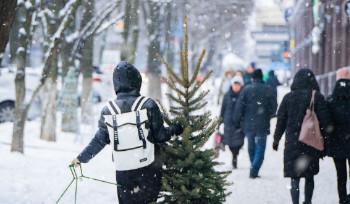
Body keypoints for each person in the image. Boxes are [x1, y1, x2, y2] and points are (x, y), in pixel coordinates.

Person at [71, 61, 183, 204]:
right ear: (137, 81)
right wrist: (179, 128)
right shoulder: (148, 105)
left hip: (123, 170)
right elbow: (161, 136)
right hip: (148, 169)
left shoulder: (108, 111)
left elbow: (99, 140)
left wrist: (81, 158)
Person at [273, 68, 331, 204]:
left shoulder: (288, 98)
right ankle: (308, 201)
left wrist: (276, 139)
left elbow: (280, 120)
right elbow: (325, 121)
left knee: (295, 177)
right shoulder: (316, 97)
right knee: (309, 176)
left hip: (293, 143)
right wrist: (326, 142)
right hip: (311, 142)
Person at [234, 69, 277, 178]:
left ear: (252, 78)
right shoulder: (268, 90)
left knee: (251, 146)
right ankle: (254, 168)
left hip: (248, 124)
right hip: (262, 123)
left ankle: (253, 166)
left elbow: (239, 107)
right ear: (262, 77)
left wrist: (237, 121)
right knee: (260, 148)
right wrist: (268, 115)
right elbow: (274, 107)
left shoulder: (246, 90)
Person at [326, 67, 350, 204]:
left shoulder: (331, 101)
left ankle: (342, 198)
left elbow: (327, 122)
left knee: (341, 174)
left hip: (338, 143)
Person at [219, 75, 245, 169]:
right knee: (229, 142)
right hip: (228, 122)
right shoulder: (227, 95)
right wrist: (220, 121)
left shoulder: (243, 95)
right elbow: (223, 108)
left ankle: (235, 157)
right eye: (235, 84)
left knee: (238, 143)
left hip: (239, 123)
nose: (236, 86)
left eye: (238, 84)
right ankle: (234, 156)